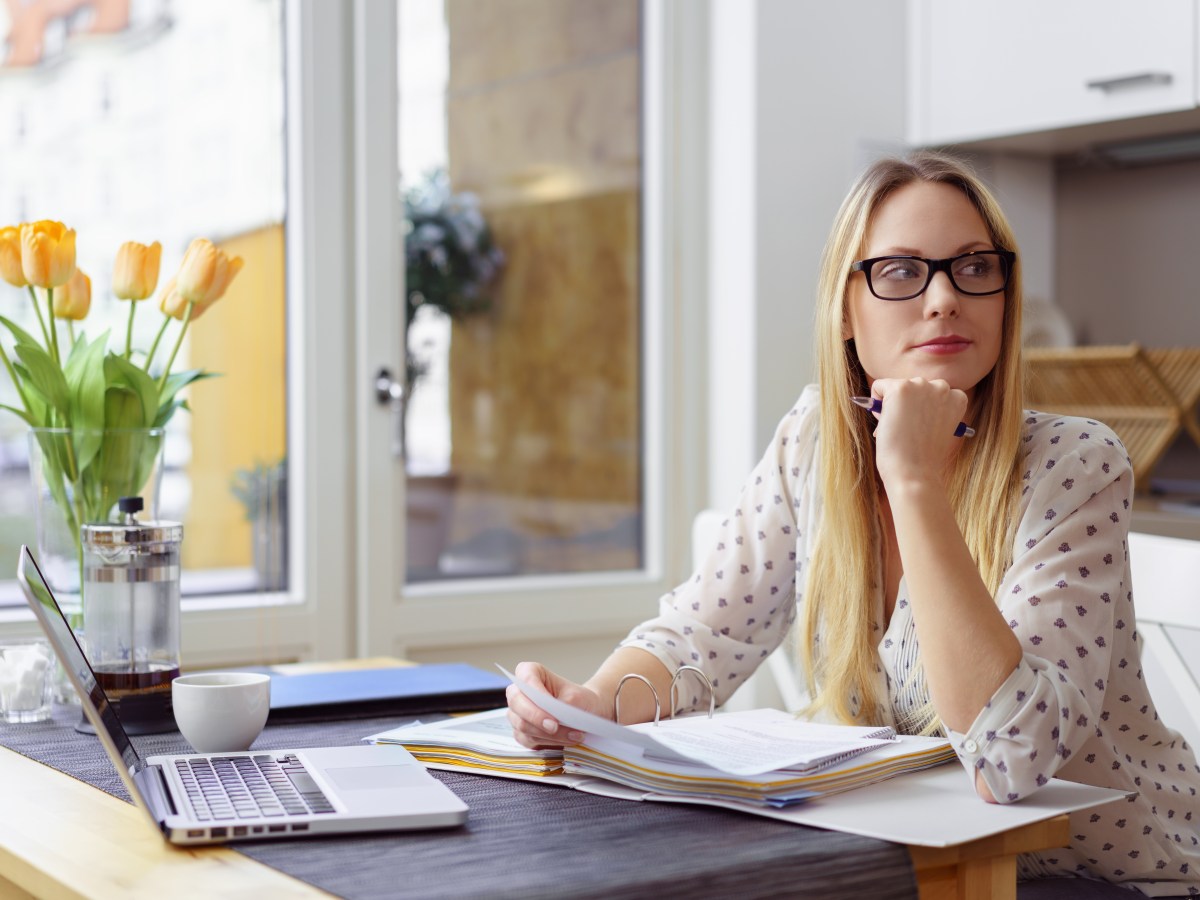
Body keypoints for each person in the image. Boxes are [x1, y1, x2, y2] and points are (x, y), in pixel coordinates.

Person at [506, 151, 1200, 898]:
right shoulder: (813, 439)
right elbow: (706, 633)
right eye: (901, 271)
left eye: (973, 268)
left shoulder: (1076, 464)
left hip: (1102, 874)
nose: (943, 298)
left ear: (1005, 295)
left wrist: (913, 479)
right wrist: (594, 703)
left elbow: (1014, 761)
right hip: (920, 861)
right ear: (846, 308)